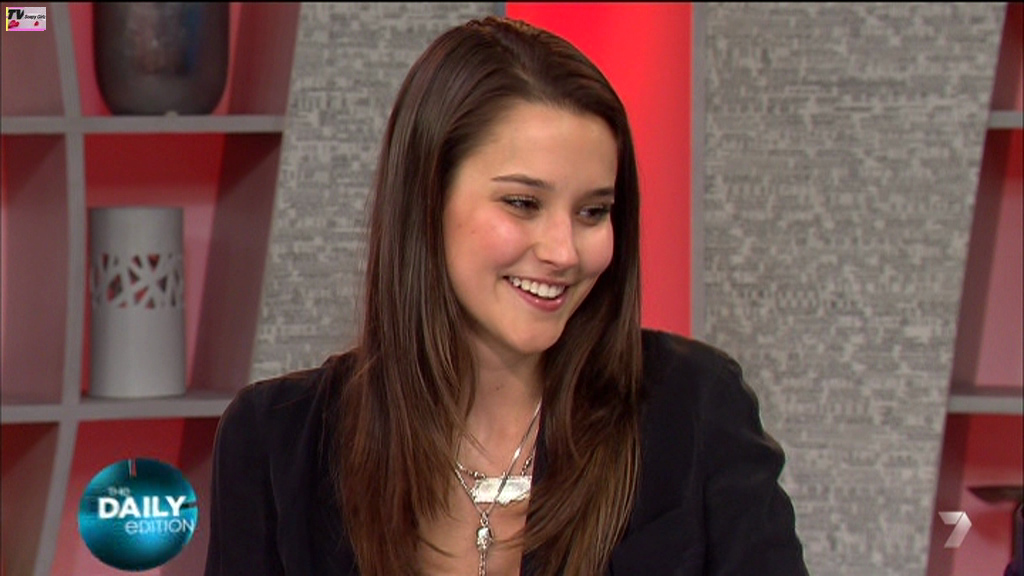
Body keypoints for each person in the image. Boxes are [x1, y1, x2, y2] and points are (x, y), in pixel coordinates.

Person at [204, 16, 808, 576]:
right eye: (523, 203)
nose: (564, 251)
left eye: (593, 211)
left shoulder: (695, 410)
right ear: (426, 201)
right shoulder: (277, 442)